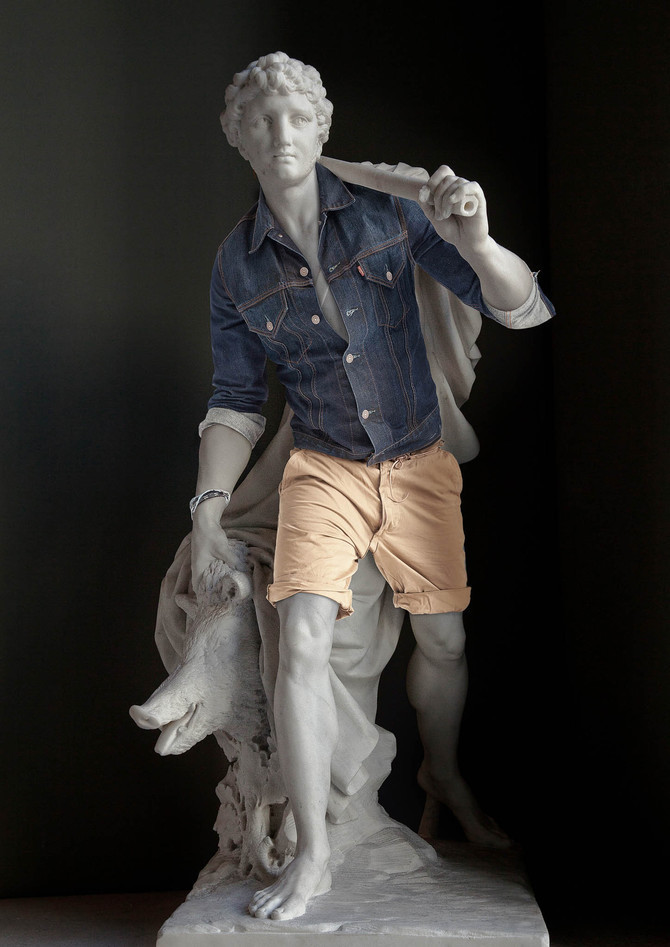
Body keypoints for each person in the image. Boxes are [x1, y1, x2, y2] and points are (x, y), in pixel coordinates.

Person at [189, 51, 554, 922]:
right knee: (302, 642)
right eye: (262, 122)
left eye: (297, 119)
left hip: (419, 462)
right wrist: (207, 509)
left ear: (322, 129)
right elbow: (235, 401)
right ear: (240, 139)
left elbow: (521, 305)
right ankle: (316, 854)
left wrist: (476, 240)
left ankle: (443, 774)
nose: (281, 134)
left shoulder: (391, 212)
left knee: (445, 643)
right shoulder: (237, 266)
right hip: (323, 470)